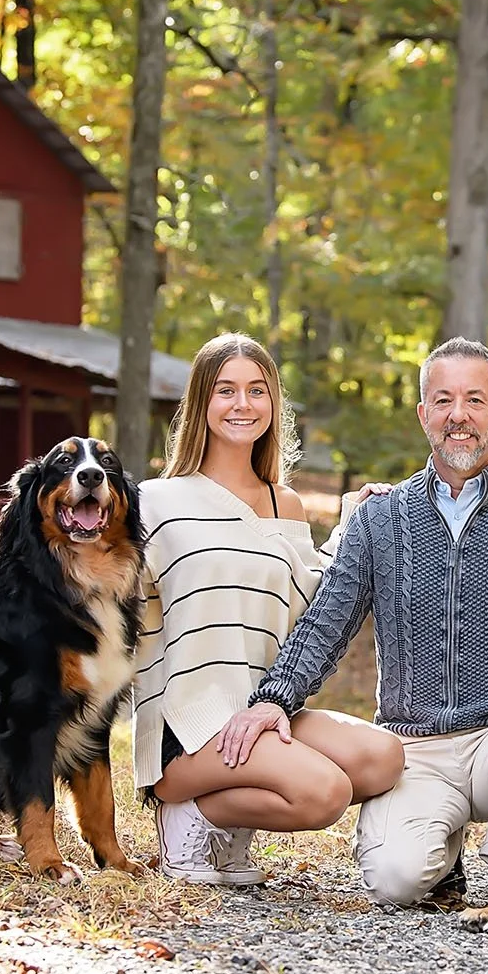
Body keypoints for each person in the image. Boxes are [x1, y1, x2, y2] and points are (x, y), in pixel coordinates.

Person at [237, 337, 488, 907]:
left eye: (475, 400)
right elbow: (327, 621)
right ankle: (441, 860)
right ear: (424, 415)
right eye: (443, 401)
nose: (459, 416)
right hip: (411, 748)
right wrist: (276, 696)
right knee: (395, 882)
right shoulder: (382, 517)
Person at [134, 333, 404, 883]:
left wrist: (352, 527)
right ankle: (190, 815)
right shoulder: (155, 501)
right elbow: (113, 600)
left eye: (257, 391)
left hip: (260, 711)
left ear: (273, 405)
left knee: (383, 759)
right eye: (226, 390)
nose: (242, 405)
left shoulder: (288, 503)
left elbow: (308, 602)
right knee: (324, 792)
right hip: (187, 723)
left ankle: (220, 820)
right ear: (201, 402)